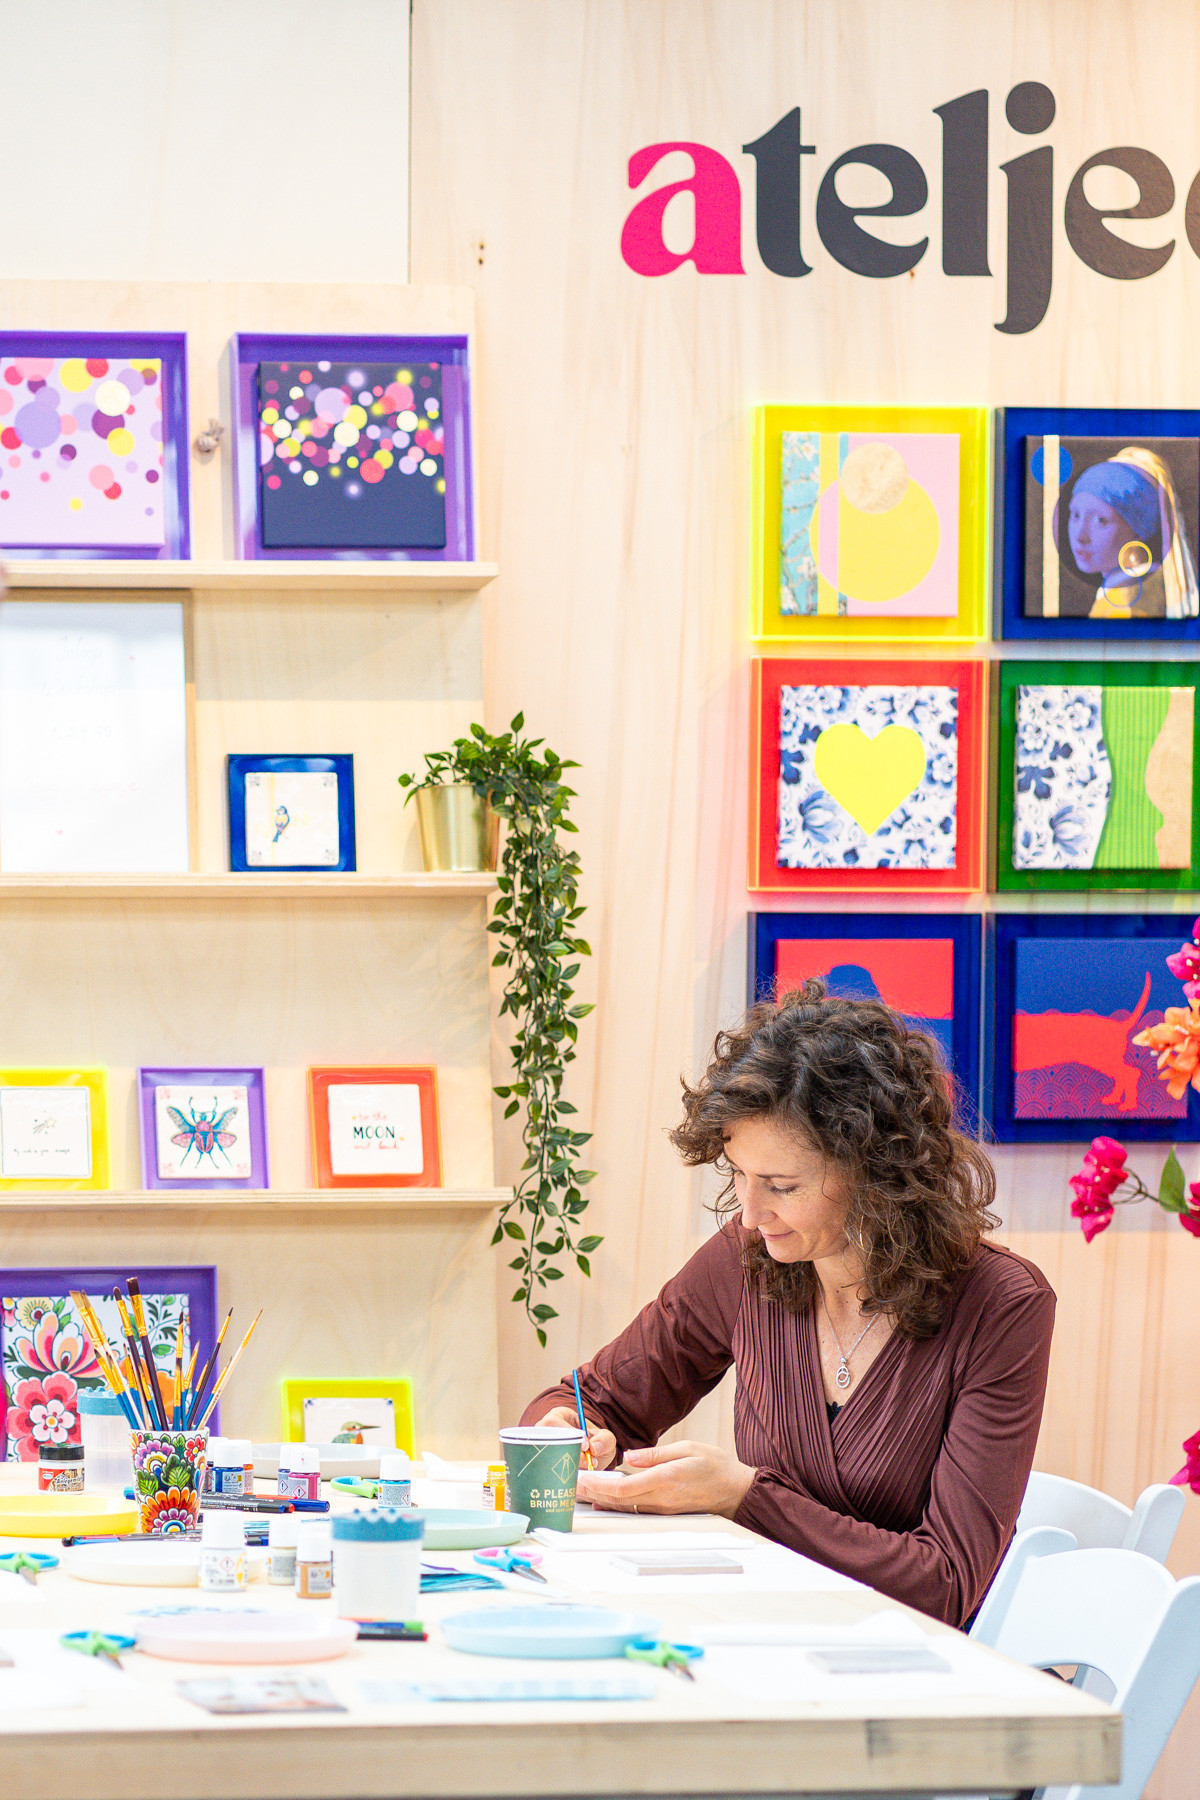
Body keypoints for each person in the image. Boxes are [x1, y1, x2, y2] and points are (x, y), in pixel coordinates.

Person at [522, 983, 1055, 1628]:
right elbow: (596, 1398)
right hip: (762, 1632)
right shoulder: (746, 1260)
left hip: (909, 1675)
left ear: (876, 1171)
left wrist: (745, 1497)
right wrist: (563, 1429)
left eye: (781, 1185)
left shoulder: (1001, 1307)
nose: (750, 1212)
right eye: (738, 1175)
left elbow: (943, 1588)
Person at [1064, 446, 1198, 621]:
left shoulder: (1124, 601)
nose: (1080, 536)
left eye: (1100, 520)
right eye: (1075, 515)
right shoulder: (1144, 584)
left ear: (1139, 527)